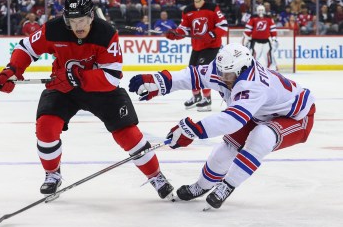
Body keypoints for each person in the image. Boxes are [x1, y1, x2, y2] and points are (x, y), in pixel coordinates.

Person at [0, 0, 173, 199]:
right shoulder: (53, 29)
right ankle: (52, 174)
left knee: (128, 134)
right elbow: (26, 48)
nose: (78, 26)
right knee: (46, 127)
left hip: (100, 90)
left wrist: (78, 77)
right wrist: (13, 70)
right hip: (63, 88)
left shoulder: (106, 34)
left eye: (83, 20)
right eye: (73, 21)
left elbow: (112, 77)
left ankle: (156, 176)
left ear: (92, 16)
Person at [128, 43, 315, 209]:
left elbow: (233, 119)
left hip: (296, 117)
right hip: (260, 113)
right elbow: (193, 75)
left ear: (241, 69)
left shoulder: (253, 85)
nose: (221, 77)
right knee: (226, 149)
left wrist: (193, 130)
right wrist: (158, 82)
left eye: (226, 74)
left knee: (262, 136)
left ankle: (229, 184)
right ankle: (201, 186)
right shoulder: (227, 69)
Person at [166, 0, 228, 112]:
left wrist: (211, 34)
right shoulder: (188, 10)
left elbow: (223, 26)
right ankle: (197, 97)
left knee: (203, 72)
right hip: (197, 47)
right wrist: (175, 34)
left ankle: (207, 99)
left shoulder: (212, 7)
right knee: (191, 72)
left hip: (211, 46)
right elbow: (184, 29)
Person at [243, 5, 278, 70]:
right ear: (257, 11)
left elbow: (273, 29)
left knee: (269, 58)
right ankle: (251, 70)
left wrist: (274, 38)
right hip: (255, 42)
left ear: (264, 11)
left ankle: (271, 70)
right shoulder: (253, 18)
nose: (260, 12)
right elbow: (248, 29)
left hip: (266, 42)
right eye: (259, 10)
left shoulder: (269, 18)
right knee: (253, 57)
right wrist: (246, 38)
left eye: (262, 10)